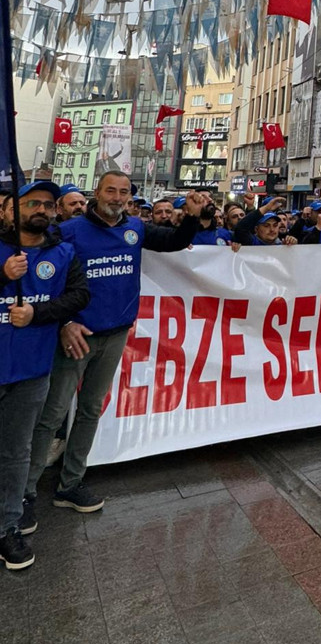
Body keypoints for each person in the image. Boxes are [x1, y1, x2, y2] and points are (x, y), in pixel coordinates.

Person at [22, 171, 206, 527]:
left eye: (124, 192)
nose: (118, 197)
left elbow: (172, 241)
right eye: (111, 190)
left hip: (115, 334)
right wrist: (63, 322)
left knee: (91, 409)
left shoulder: (135, 227)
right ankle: (25, 492)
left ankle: (69, 484)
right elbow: (42, 272)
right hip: (75, 335)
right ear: (97, 192)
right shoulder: (70, 230)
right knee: (53, 413)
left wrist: (194, 218)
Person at [0, 182, 90, 570]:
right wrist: (3, 275)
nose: (41, 208)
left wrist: (41, 314)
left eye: (48, 204)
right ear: (7, 210)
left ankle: (6, 526)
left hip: (31, 371)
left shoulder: (63, 252)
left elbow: (78, 295)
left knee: (15, 453)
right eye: (30, 202)